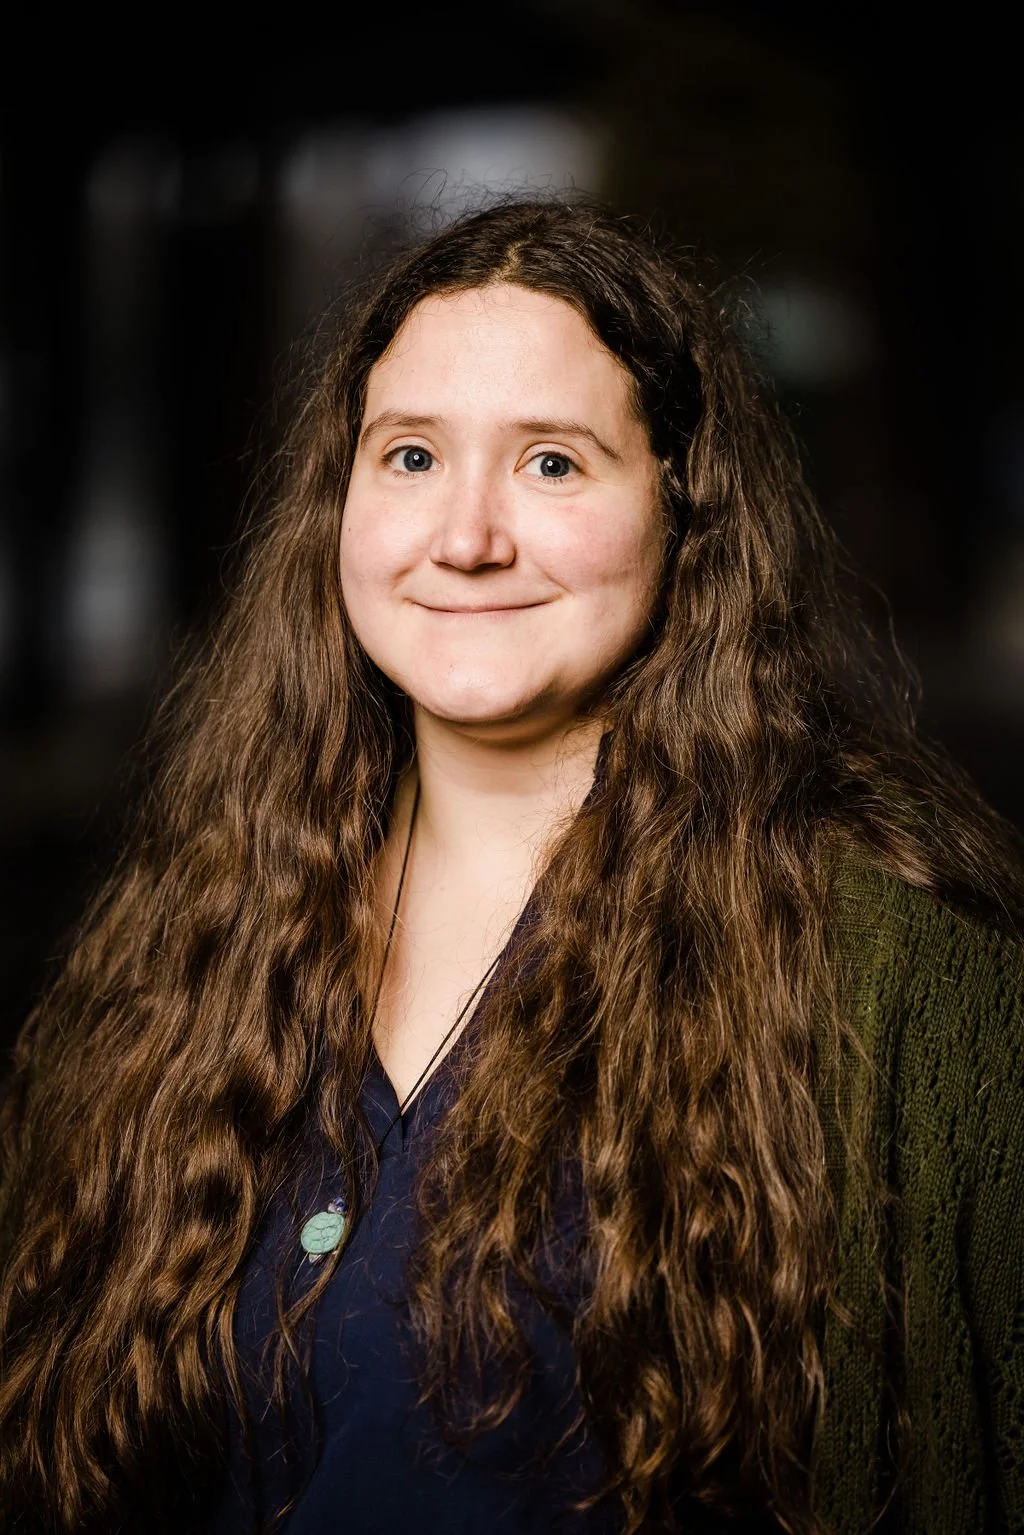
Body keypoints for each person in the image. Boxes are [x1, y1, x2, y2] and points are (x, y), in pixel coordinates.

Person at [1, 198, 1022, 1535]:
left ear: (683, 508)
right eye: (412, 455)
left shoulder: (895, 987)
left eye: (551, 463)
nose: (467, 535)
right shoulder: (187, 945)